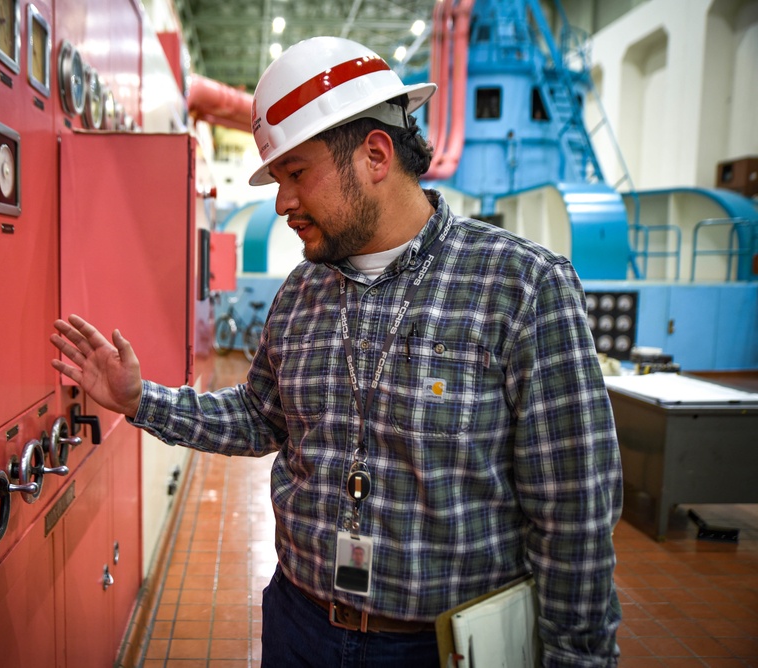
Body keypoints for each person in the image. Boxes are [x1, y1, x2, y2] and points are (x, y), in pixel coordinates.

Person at [51, 36, 622, 667]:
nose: (282, 202)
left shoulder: (521, 287)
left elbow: (575, 517)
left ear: (375, 154)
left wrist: (579, 658)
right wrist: (140, 400)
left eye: (296, 173)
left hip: (438, 647)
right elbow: (259, 416)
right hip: (301, 624)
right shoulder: (303, 291)